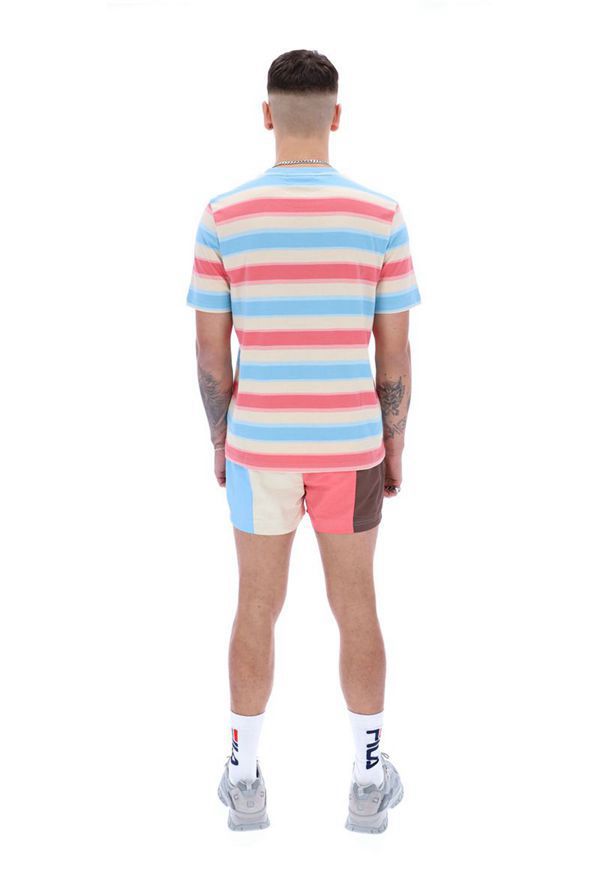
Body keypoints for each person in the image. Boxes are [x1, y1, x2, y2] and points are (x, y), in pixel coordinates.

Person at [186, 49, 421, 833]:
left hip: (259, 445)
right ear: (336, 116)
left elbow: (210, 355)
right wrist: (394, 443)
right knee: (357, 605)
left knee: (256, 604)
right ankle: (368, 783)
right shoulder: (380, 215)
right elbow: (395, 357)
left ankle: (243, 780)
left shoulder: (224, 216)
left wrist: (221, 440)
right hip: (351, 445)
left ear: (267, 115)